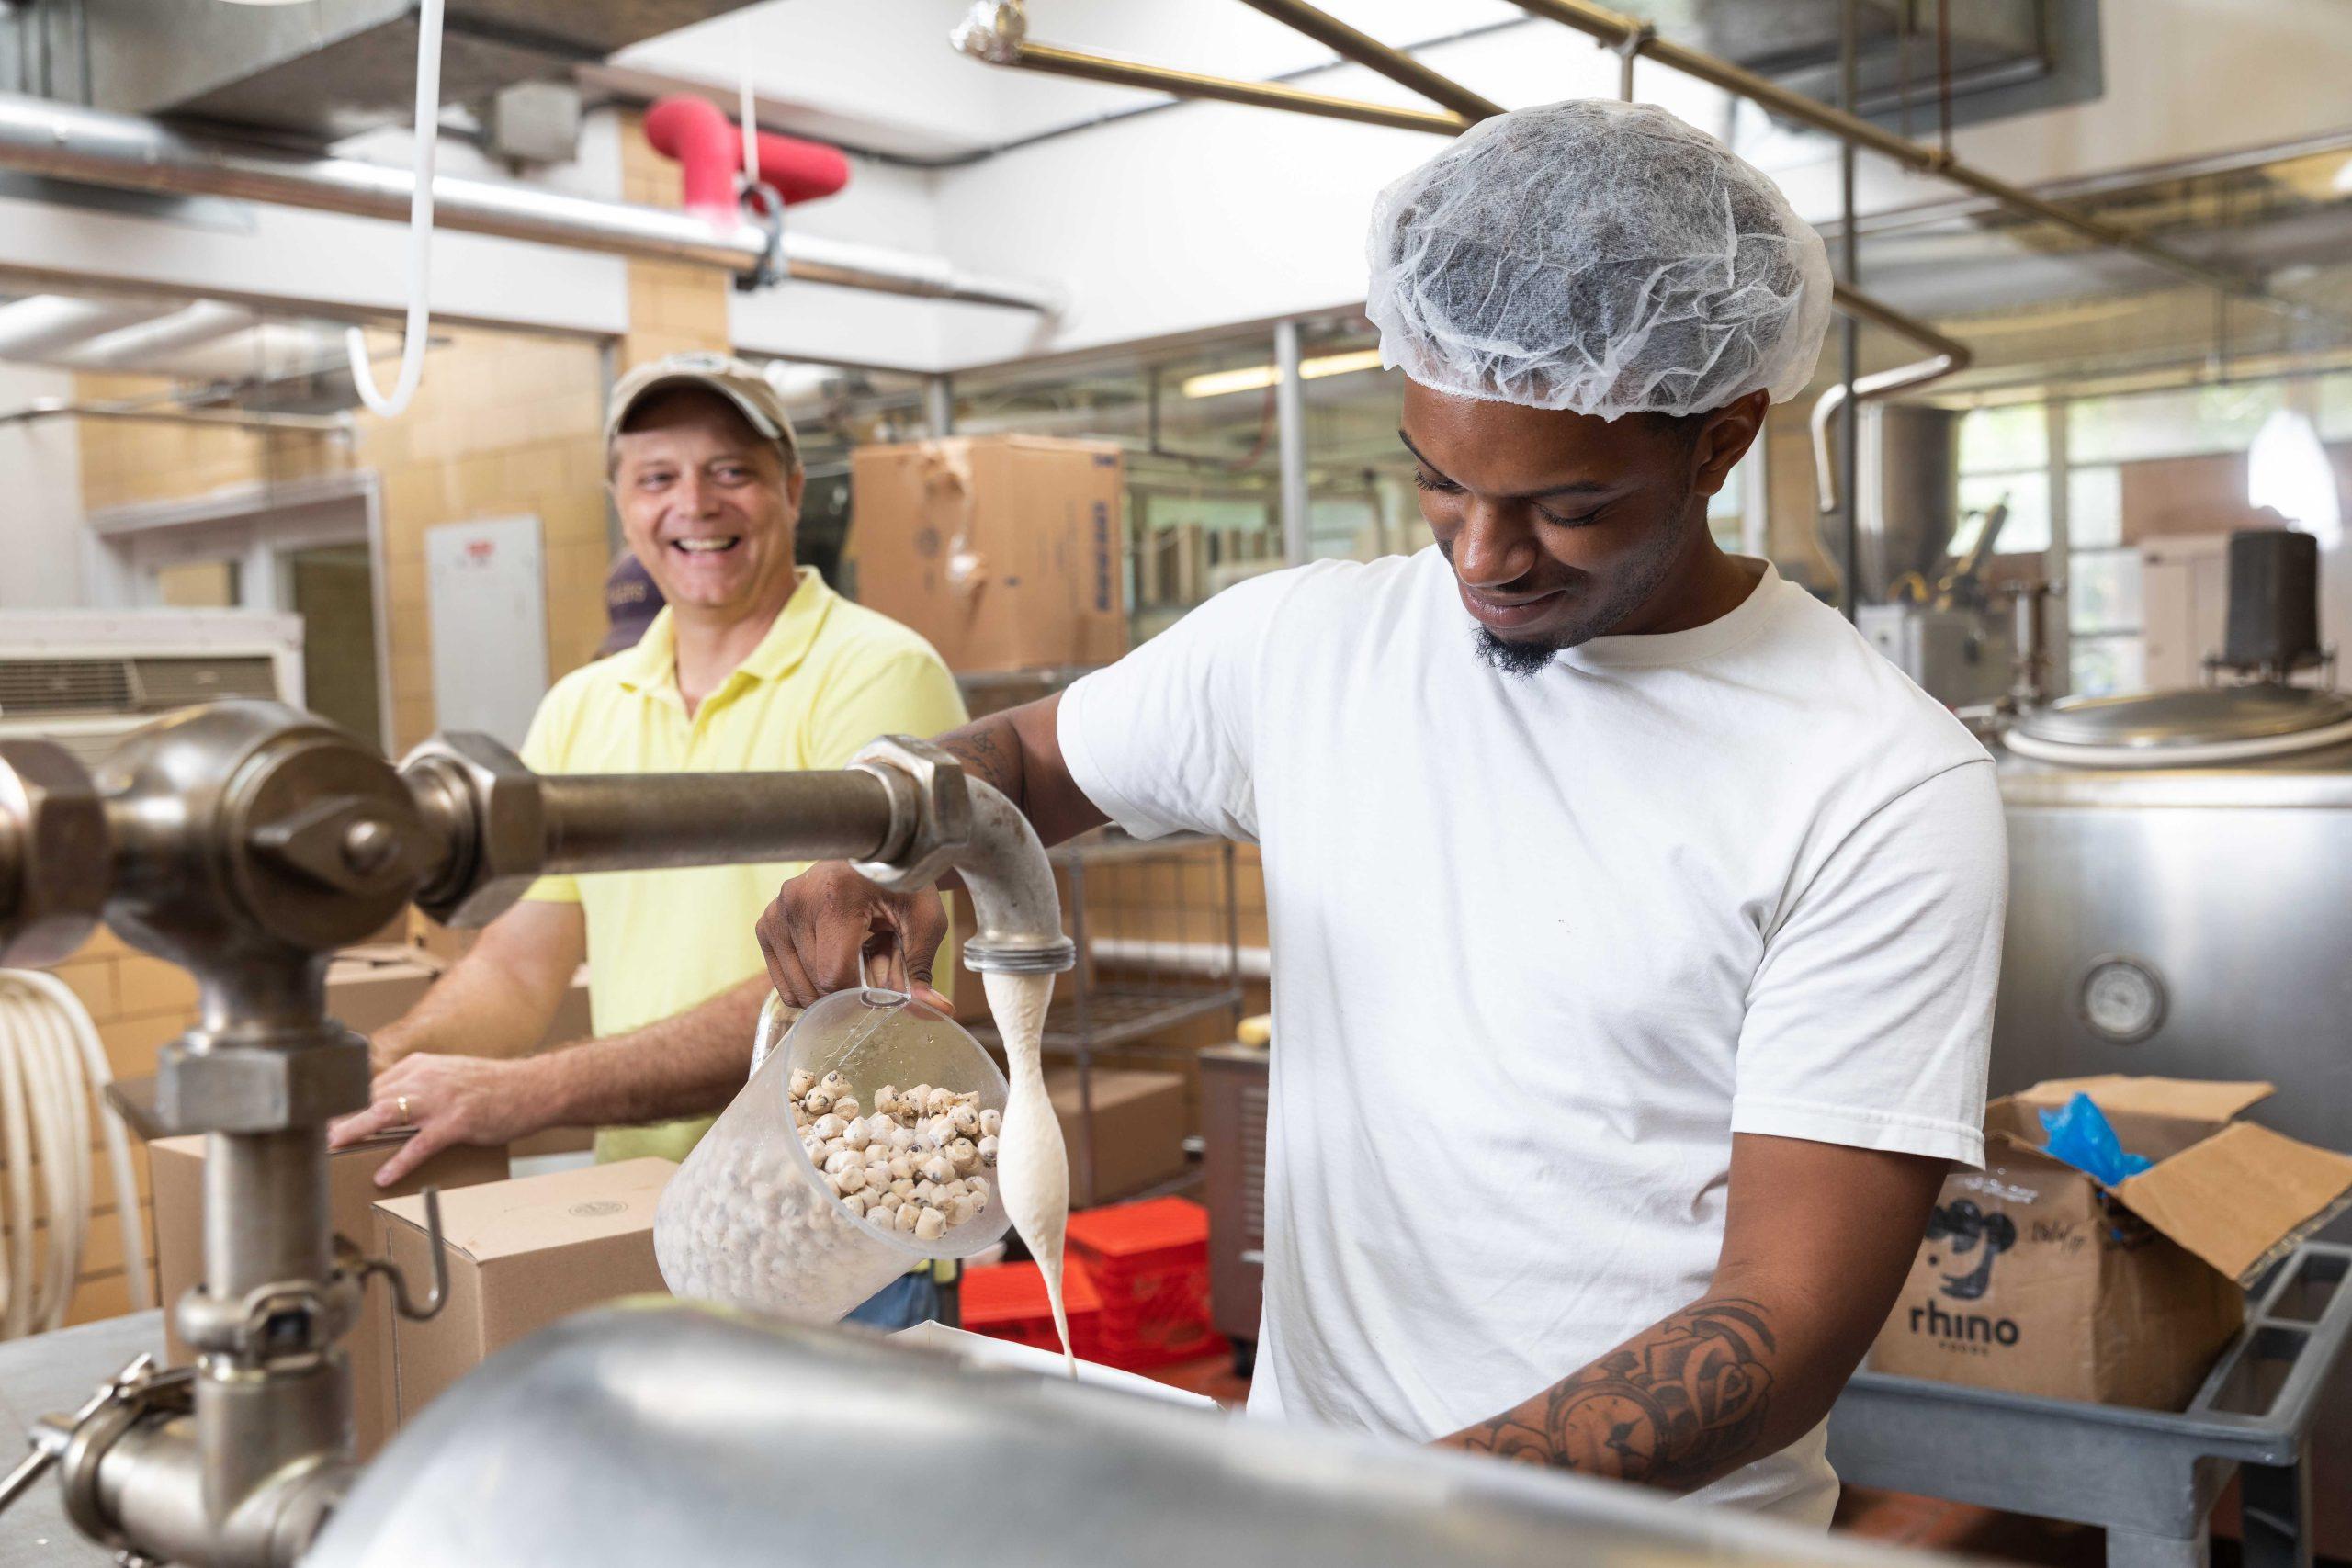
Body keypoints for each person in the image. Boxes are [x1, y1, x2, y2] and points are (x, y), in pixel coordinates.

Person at [752, 102, 2006, 1521]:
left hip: (1633, 1547)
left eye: (1568, 505)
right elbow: (1025, 766)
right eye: (1438, 480)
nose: (1484, 555)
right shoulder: (1308, 646)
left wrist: (1396, 1508)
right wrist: (903, 835)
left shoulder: (1876, 781)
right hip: (1318, 1504)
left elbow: (1786, 1320)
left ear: (1720, 442)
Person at [333, 353, 968, 1327]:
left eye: (731, 471)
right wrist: (382, 1067)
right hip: (651, 1224)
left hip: (837, 1234)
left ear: (791, 490)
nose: (694, 505)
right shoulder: (583, 707)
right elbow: (518, 963)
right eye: (657, 477)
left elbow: (842, 1001)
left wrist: (526, 1093)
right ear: (622, 505)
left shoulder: (876, 674)